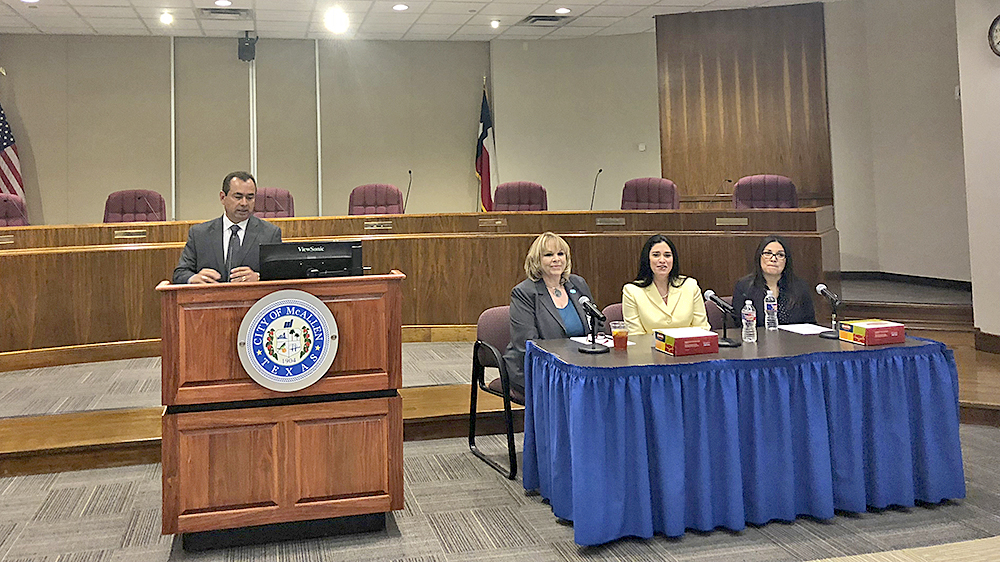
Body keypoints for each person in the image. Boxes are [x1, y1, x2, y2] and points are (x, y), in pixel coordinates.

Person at [501, 232, 594, 400]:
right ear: (537, 260)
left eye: (560, 254)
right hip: (538, 367)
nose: (556, 259)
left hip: (579, 363)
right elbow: (526, 343)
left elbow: (596, 325)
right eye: (549, 255)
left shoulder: (577, 284)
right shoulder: (524, 292)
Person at [172, 171, 282, 284]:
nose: (244, 203)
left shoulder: (270, 234)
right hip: (210, 299)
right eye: (238, 197)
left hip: (253, 300)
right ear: (222, 197)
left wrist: (259, 277)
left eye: (250, 198)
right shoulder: (199, 234)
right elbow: (180, 273)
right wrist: (193, 278)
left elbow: (281, 274)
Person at [622, 234, 710, 335]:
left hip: (687, 348)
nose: (662, 260)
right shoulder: (632, 291)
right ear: (647, 259)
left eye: (667, 255)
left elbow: (702, 328)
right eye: (656, 255)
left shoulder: (690, 286)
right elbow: (636, 335)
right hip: (649, 349)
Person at [732, 235, 816, 326]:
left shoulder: (800, 287)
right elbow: (739, 324)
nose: (773, 259)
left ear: (786, 260)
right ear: (759, 257)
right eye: (768, 253)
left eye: (780, 255)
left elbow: (810, 323)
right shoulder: (744, 287)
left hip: (793, 339)